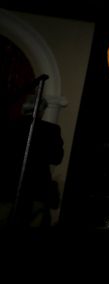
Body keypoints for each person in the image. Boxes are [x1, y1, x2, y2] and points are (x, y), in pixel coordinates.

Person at [0, 96, 64, 227]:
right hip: (36, 189)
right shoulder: (50, 130)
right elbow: (57, 158)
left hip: (7, 186)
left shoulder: (9, 126)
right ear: (41, 110)